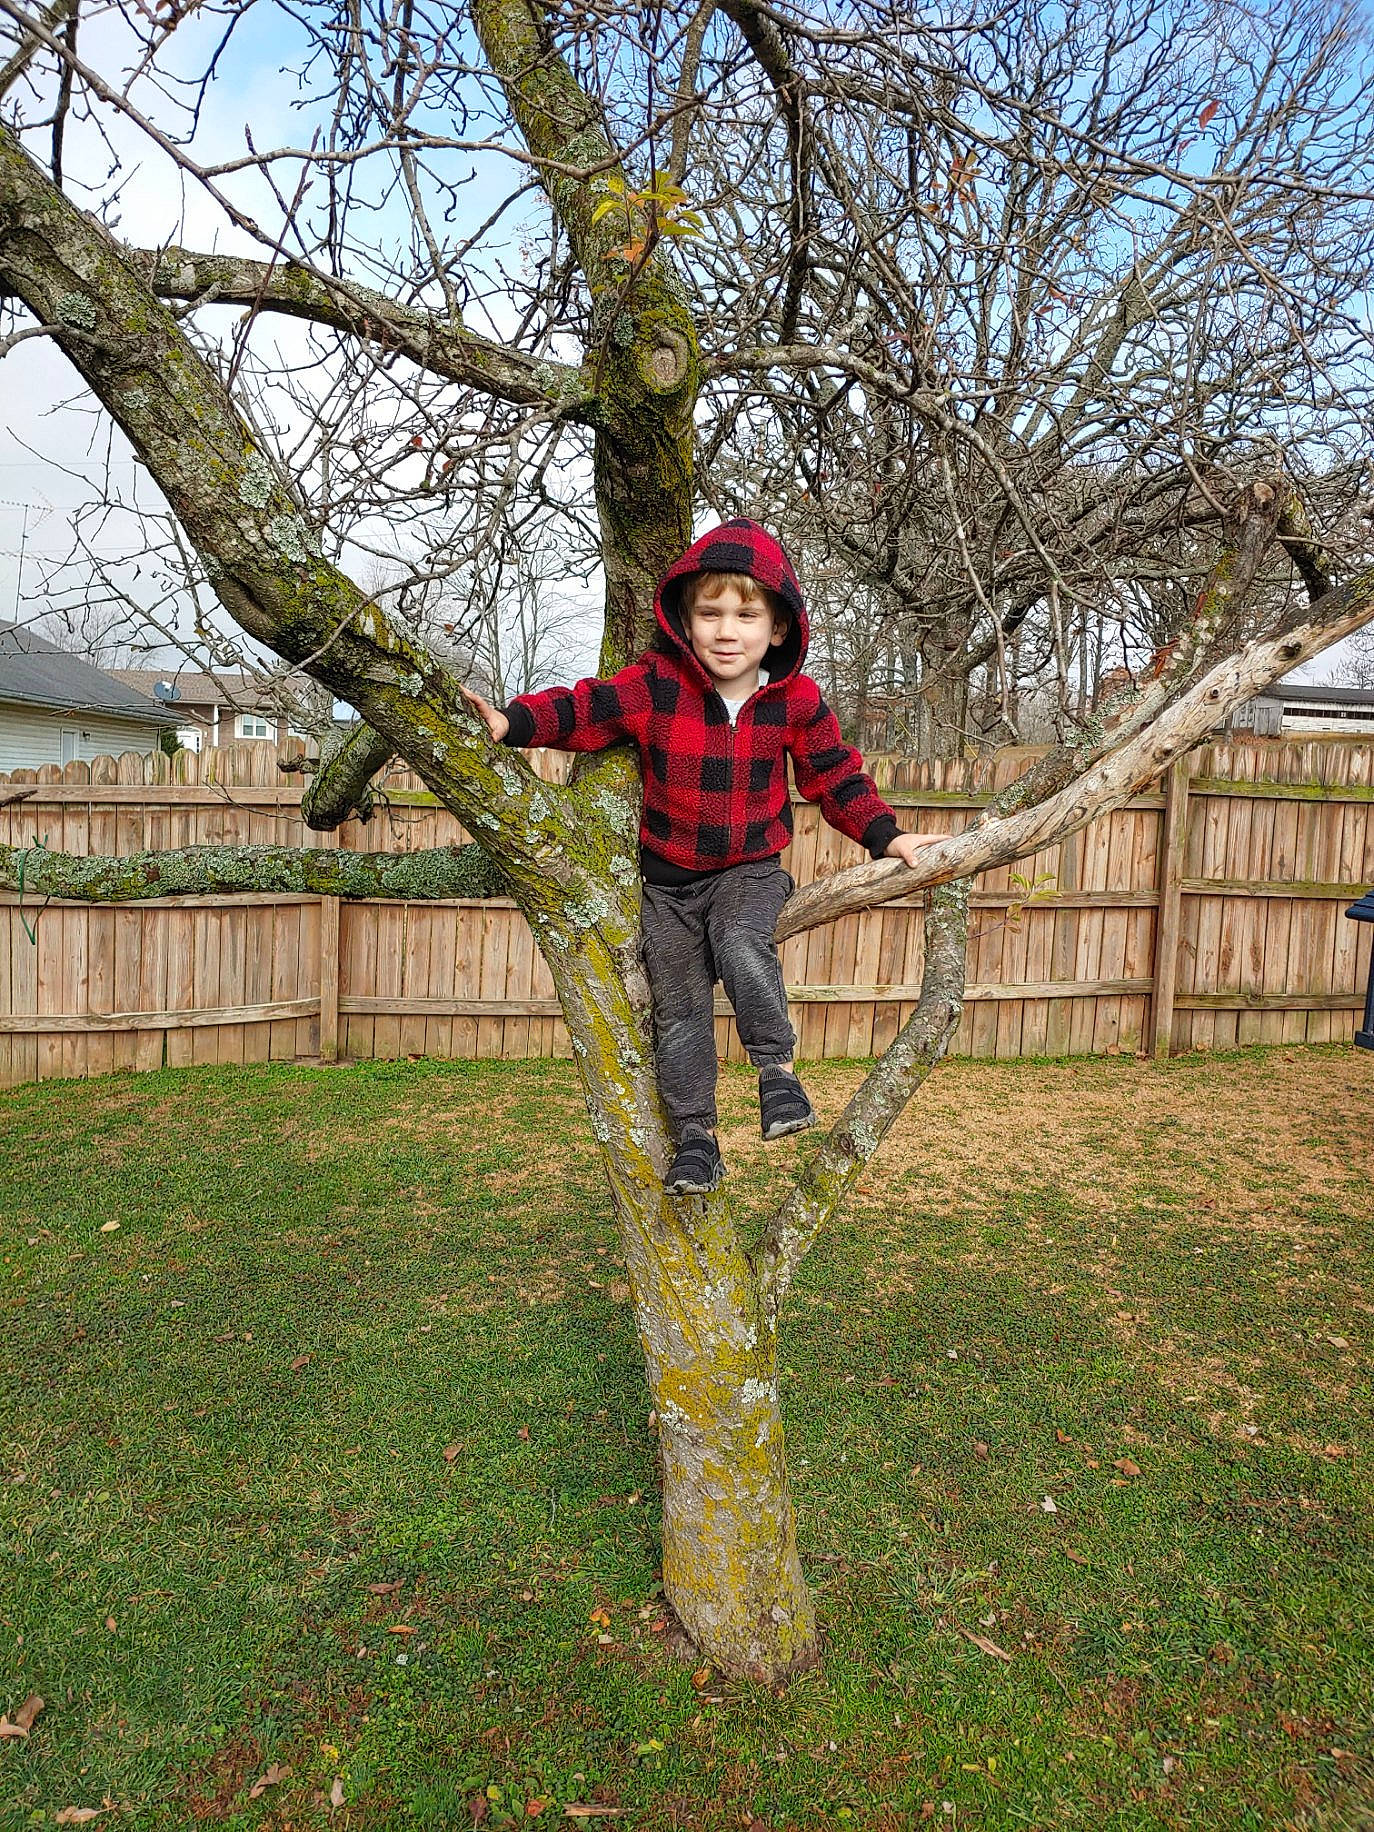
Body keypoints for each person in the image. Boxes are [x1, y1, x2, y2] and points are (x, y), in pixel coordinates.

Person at [461, 519, 939, 1196]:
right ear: (684, 620)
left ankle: (777, 1077)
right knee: (677, 1009)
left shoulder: (794, 701)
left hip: (749, 871)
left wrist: (887, 836)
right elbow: (585, 709)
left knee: (743, 942)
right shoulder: (658, 686)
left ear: (777, 628)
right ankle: (696, 1141)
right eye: (709, 613)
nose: (726, 630)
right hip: (668, 889)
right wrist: (512, 722)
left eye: (746, 614)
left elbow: (835, 777)